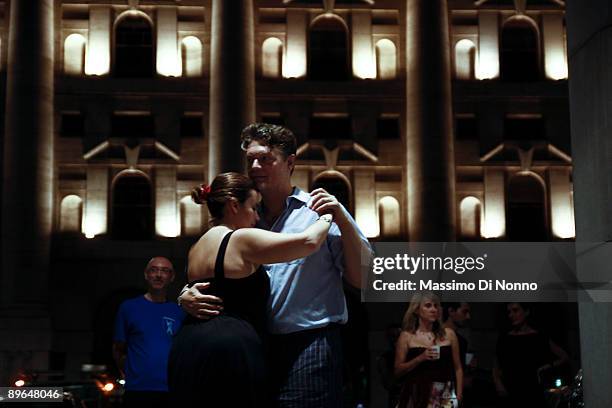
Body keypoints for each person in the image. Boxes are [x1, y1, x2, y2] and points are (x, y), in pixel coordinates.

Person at [178, 123, 372, 407]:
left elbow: (364, 279)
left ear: (290, 162)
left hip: (308, 344)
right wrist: (185, 293)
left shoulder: (319, 211)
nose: (255, 166)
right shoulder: (242, 216)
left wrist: (340, 218)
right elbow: (214, 268)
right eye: (250, 160)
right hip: (254, 346)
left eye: (265, 158)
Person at [168, 172, 336, 407]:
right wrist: (327, 215)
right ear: (234, 205)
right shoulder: (240, 239)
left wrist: (182, 295)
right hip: (229, 349)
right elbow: (309, 242)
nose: (257, 216)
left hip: (187, 344)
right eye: (253, 207)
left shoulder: (196, 247)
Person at [113, 257, 185, 408]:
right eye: (154, 270)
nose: (159, 274)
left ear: (171, 277)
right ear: (146, 275)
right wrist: (130, 375)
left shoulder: (179, 311)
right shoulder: (129, 307)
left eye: (165, 271)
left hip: (171, 389)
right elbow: (118, 348)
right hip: (138, 390)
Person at [394, 292, 463, 408]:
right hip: (416, 391)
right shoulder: (407, 336)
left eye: (436, 306)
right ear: (416, 310)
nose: (433, 309)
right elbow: (397, 371)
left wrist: (459, 395)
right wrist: (420, 358)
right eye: (428, 306)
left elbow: (458, 368)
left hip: (443, 393)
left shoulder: (449, 334)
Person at [493, 302, 569, 408]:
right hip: (510, 390)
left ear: (526, 312)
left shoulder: (538, 337)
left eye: (515, 310)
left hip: (533, 389)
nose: (511, 315)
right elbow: (496, 366)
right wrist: (498, 383)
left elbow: (564, 357)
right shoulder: (504, 339)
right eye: (509, 312)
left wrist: (544, 368)